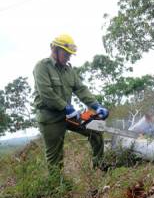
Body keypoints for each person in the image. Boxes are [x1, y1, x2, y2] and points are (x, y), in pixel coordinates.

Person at [32, 33, 109, 174]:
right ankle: (58, 188)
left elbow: (81, 89)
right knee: (55, 158)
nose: (68, 57)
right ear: (55, 49)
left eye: (70, 54)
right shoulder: (42, 67)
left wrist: (97, 106)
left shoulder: (69, 70)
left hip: (69, 115)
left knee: (96, 131)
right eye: (66, 53)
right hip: (50, 118)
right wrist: (66, 107)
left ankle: (99, 165)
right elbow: (46, 93)